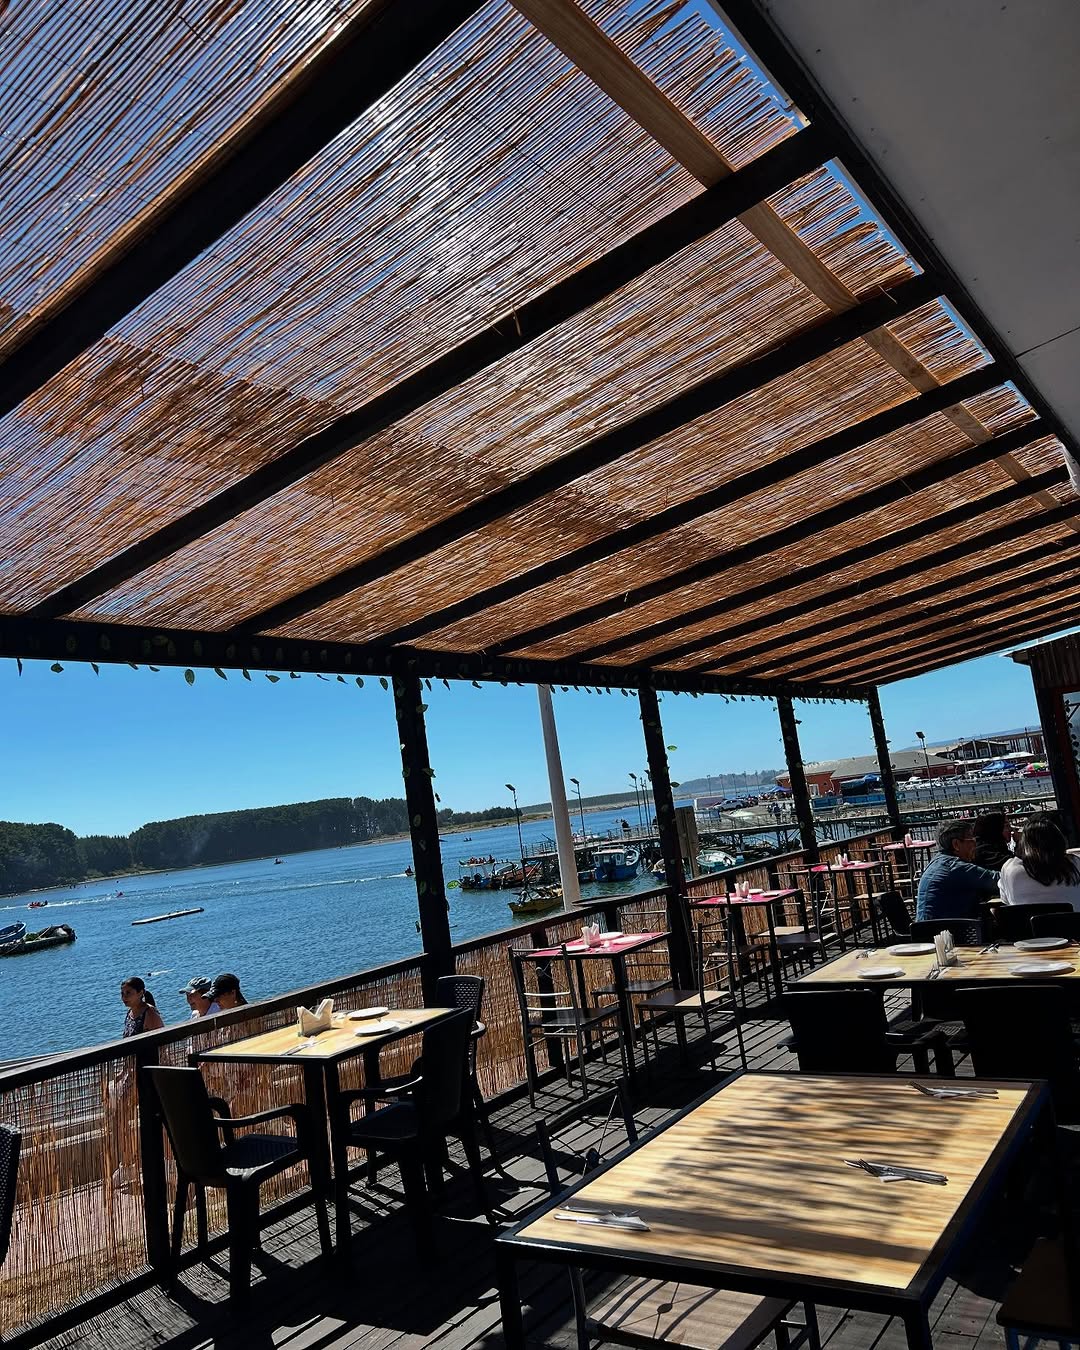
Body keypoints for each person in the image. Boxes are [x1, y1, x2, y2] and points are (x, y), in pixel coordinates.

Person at [915, 819, 1000, 922]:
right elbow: (999, 881)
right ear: (956, 844)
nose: (975, 844)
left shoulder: (937, 861)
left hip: (925, 928)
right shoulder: (956, 867)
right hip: (946, 930)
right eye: (972, 839)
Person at [999, 816, 1080, 909]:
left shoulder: (1009, 868)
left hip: (1027, 919)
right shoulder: (1075, 863)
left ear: (1024, 844)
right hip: (1071, 918)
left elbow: (1006, 901)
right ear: (1060, 841)